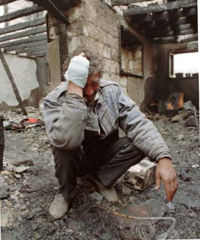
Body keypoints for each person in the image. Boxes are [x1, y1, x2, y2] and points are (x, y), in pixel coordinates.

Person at [43, 50, 178, 219]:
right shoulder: (54, 99)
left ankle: (101, 179)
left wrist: (163, 157)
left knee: (139, 142)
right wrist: (75, 95)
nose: (91, 91)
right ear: (71, 80)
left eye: (95, 83)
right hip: (75, 161)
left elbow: (139, 123)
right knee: (62, 145)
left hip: (103, 154)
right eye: (83, 85)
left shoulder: (112, 91)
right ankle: (66, 193)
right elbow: (66, 141)